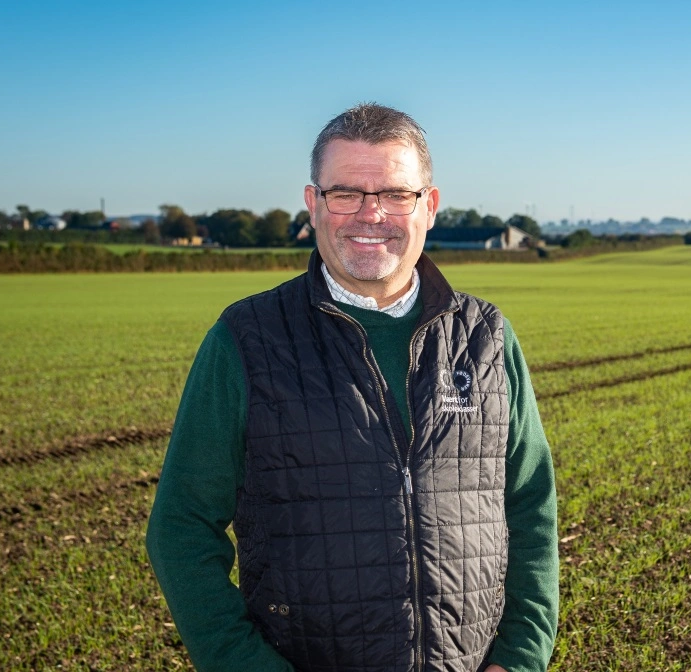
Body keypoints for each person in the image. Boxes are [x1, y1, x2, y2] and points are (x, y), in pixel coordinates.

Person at [146, 103, 558, 672]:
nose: (371, 214)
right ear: (314, 205)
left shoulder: (486, 337)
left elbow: (531, 502)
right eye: (346, 193)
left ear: (429, 206)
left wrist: (518, 658)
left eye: (395, 194)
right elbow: (181, 527)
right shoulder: (246, 340)